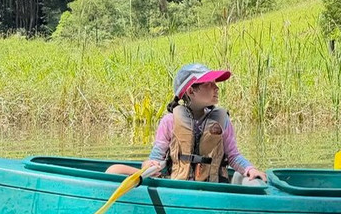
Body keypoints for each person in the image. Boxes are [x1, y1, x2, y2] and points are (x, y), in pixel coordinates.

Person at [106, 63, 266, 183]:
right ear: (191, 91)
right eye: (209, 84)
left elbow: (233, 156)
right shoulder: (169, 121)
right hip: (177, 186)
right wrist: (150, 164)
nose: (216, 88)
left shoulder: (222, 122)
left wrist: (250, 169)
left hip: (213, 188)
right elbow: (157, 154)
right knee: (114, 170)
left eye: (215, 83)